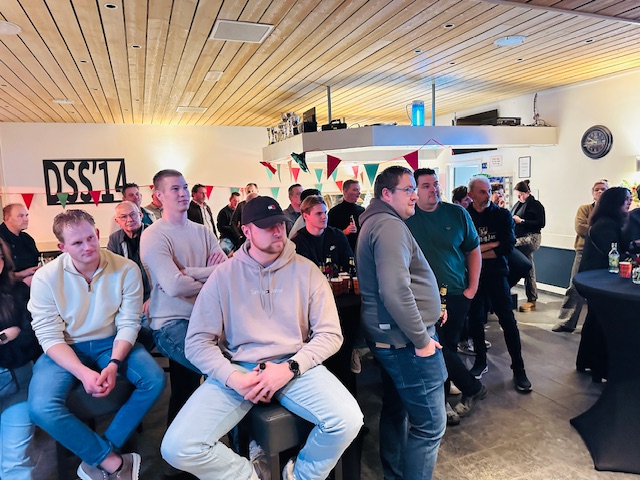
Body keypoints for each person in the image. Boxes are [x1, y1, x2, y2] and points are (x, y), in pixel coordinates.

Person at [161, 196, 363, 480]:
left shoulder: (307, 271)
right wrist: (233, 377)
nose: (277, 231)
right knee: (177, 447)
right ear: (246, 231)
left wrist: (291, 367)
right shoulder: (224, 276)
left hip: (295, 365)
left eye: (280, 224)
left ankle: (300, 475)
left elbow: (330, 334)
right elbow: (197, 342)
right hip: (240, 369)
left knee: (348, 420)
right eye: (267, 226)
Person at [27, 209, 166, 480]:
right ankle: (112, 461)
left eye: (91, 238)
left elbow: (129, 323)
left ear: (98, 234)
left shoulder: (126, 268)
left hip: (111, 341)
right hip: (66, 346)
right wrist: (82, 372)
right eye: (77, 243)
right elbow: (48, 335)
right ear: (62, 247)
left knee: (155, 379)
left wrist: (114, 363)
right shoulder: (46, 278)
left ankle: (99, 455)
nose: (87, 246)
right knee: (40, 408)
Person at [357, 165, 446, 480]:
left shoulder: (378, 222)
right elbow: (394, 290)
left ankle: (393, 475)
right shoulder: (388, 226)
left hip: (395, 337)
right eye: (408, 189)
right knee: (430, 426)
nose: (414, 196)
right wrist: (422, 339)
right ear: (386, 194)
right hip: (405, 342)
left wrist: (431, 308)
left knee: (396, 410)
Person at [140, 169, 227, 426]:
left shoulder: (203, 232)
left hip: (206, 317)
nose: (183, 193)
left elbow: (227, 274)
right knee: (223, 374)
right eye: (175, 189)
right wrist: (210, 275)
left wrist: (190, 272)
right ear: (159, 196)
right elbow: (174, 286)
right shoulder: (154, 235)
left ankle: (181, 443)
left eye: (185, 187)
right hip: (171, 322)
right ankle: (234, 441)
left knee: (184, 387)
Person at [405, 168, 486, 426]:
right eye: (426, 186)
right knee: (436, 351)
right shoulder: (407, 217)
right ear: (415, 191)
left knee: (446, 348)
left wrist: (472, 288)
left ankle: (450, 399)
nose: (434, 189)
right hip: (421, 297)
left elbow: (473, 251)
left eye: (435, 184)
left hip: (455, 293)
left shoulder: (457, 213)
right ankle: (468, 390)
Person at [467, 176, 532, 393]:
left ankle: (519, 368)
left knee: (508, 320)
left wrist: (475, 252)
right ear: (471, 194)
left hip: (497, 275)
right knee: (475, 320)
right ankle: (480, 361)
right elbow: (462, 248)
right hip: (474, 277)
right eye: (482, 192)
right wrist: (489, 246)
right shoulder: (465, 216)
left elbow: (506, 247)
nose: (487, 195)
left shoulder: (502, 215)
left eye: (489, 191)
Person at [576, 187, 631, 382]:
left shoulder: (602, 222)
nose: (629, 202)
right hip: (600, 281)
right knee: (602, 324)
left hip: (594, 280)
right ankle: (599, 369)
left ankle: (586, 362)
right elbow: (612, 254)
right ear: (616, 202)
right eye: (626, 199)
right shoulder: (607, 225)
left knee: (594, 320)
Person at [0, 238, 41, 479]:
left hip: (19, 382)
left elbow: (33, 337)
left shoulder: (19, 291)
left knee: (17, 461)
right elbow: (14, 334)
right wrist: (4, 336)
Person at [553, 179, 609, 333]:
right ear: (592, 193)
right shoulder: (584, 209)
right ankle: (566, 322)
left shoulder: (610, 212)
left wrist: (594, 229)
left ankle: (599, 326)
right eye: (597, 189)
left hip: (603, 254)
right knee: (575, 287)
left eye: (603, 189)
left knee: (602, 289)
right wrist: (602, 231)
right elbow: (580, 229)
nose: (600, 192)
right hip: (583, 252)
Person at [107, 201, 153, 350]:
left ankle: (136, 354)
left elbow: (165, 272)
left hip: (153, 295)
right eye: (123, 216)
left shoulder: (154, 234)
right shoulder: (114, 239)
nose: (129, 219)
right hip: (128, 297)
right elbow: (111, 272)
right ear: (117, 221)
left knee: (145, 328)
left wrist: (154, 297)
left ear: (140, 215)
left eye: (133, 215)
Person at [292, 195, 353, 270]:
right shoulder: (297, 242)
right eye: (319, 213)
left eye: (325, 212)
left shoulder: (338, 236)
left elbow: (350, 264)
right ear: (306, 216)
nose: (324, 216)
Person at [511, 180, 546, 312]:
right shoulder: (518, 204)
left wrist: (522, 221)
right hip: (521, 236)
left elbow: (541, 223)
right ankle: (532, 297)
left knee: (510, 247)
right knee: (528, 267)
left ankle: (531, 297)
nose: (519, 197)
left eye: (521, 195)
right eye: (517, 195)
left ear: (528, 192)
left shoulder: (536, 205)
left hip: (531, 238)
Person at [0, 204, 40, 287]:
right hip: (7, 290)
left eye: (26, 215)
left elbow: (36, 260)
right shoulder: (2, 239)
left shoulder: (27, 238)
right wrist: (22, 275)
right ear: (7, 218)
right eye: (20, 216)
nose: (26, 219)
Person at [328, 179, 365, 252]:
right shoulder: (334, 212)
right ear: (345, 191)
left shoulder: (362, 211)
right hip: (341, 251)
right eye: (355, 190)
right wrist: (344, 232)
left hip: (360, 250)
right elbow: (329, 235)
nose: (359, 193)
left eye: (359, 190)